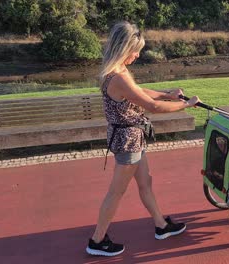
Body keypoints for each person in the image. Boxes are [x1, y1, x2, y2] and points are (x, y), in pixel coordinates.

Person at [86, 21, 201, 257]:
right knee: (116, 193)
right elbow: (151, 106)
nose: (138, 55)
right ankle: (97, 240)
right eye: (135, 50)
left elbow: (140, 92)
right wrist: (184, 104)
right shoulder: (117, 76)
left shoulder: (118, 70)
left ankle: (161, 226)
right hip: (127, 141)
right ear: (123, 48)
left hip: (133, 136)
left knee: (145, 182)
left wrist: (168, 94)